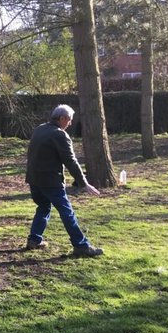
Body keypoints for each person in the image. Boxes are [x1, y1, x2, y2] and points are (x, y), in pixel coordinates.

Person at [25, 104, 103, 257]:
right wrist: (84, 183)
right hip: (50, 181)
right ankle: (81, 246)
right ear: (62, 118)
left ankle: (34, 240)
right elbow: (71, 161)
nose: (70, 123)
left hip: (34, 179)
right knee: (67, 213)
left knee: (43, 207)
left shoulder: (40, 129)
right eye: (69, 120)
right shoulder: (59, 134)